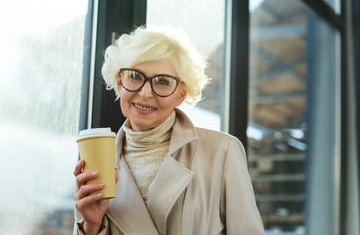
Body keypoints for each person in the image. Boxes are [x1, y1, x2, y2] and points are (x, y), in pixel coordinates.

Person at [73, 26, 265, 235]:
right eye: (135, 76)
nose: (145, 93)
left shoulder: (222, 151)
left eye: (163, 81)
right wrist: (91, 227)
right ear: (120, 83)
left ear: (181, 95)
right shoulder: (98, 162)